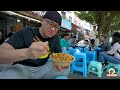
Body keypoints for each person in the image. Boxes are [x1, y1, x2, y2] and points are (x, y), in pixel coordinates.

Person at [0, 11, 70, 79]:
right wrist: (27, 53)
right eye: (50, 23)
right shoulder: (25, 33)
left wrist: (60, 63)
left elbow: (59, 55)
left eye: (56, 27)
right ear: (42, 20)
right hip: (23, 68)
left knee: (66, 69)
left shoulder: (55, 37)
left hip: (43, 68)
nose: (52, 29)